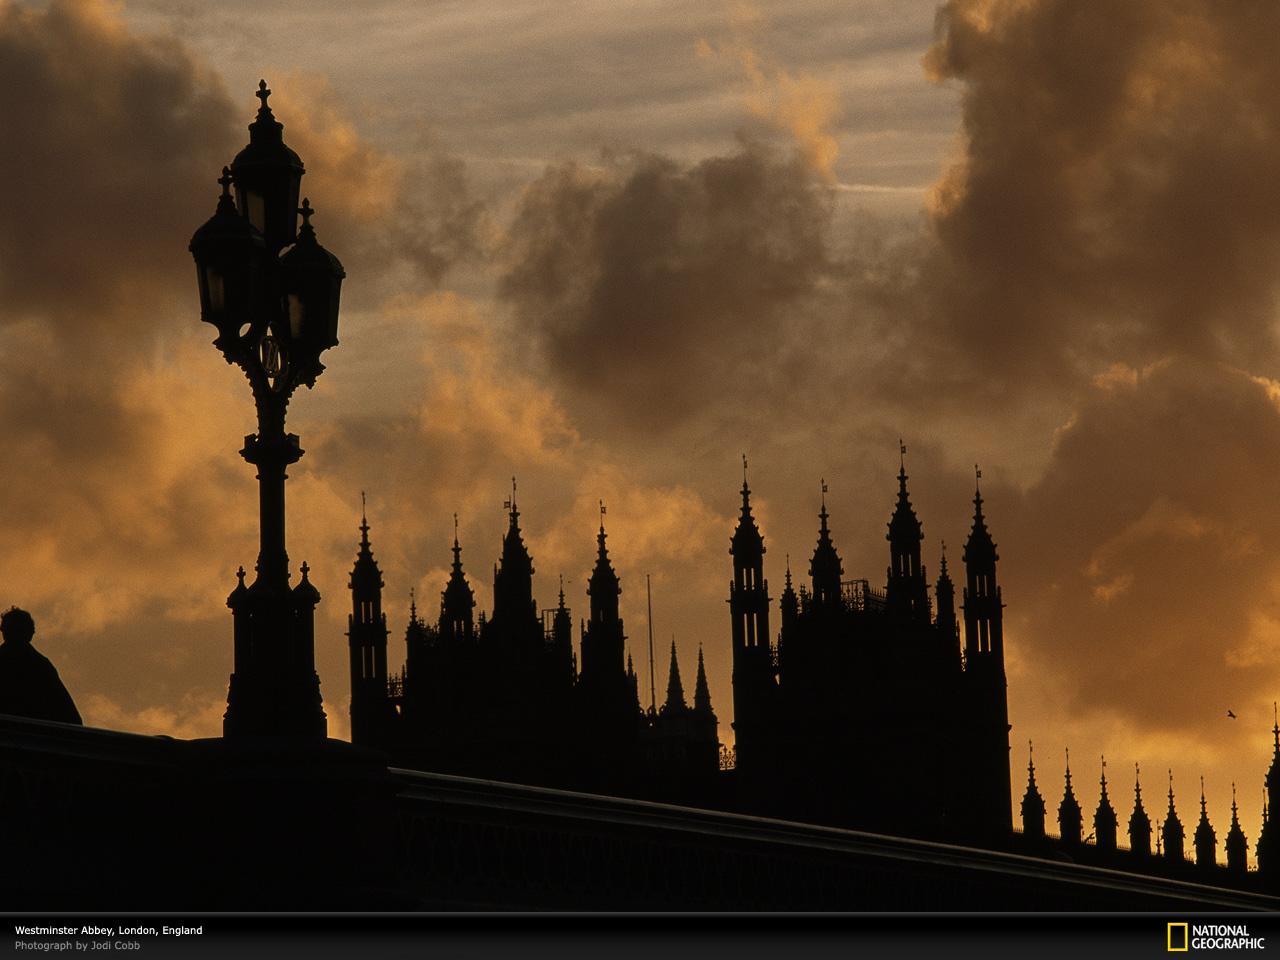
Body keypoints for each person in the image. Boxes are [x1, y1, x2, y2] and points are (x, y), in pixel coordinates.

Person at [0, 607, 82, 724]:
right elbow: (70, 716)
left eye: (17, 630)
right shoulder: (41, 665)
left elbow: (68, 713)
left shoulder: (41, 666)